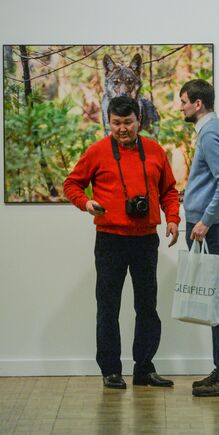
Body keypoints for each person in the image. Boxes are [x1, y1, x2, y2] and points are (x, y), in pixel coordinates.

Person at [63, 96, 180, 389]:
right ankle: (110, 371)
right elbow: (71, 184)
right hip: (110, 240)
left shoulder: (154, 151)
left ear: (138, 120)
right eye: (116, 123)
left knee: (147, 307)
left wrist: (174, 219)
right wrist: (86, 203)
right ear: (109, 122)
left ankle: (144, 368)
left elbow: (169, 190)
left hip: (145, 241)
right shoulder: (98, 151)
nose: (122, 129)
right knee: (108, 307)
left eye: (128, 122)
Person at [178, 79, 219, 397]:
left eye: (184, 101)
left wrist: (204, 220)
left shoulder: (211, 132)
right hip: (211, 226)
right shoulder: (213, 129)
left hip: (212, 228)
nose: (181, 107)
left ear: (198, 104)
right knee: (216, 297)